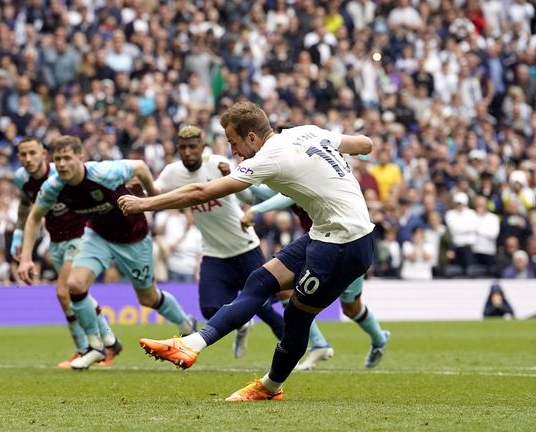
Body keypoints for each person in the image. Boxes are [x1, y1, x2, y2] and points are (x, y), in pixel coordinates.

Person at [119, 101, 375, 401]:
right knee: (260, 281)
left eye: (234, 142)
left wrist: (144, 205)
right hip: (326, 234)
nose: (234, 151)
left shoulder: (269, 156)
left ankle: (269, 388)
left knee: (295, 316)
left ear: (252, 137)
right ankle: (192, 343)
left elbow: (201, 192)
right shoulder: (305, 132)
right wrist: (352, 155)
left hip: (344, 244)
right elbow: (365, 143)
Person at [17, 135, 196, 369]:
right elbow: (34, 218)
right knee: (75, 286)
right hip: (98, 235)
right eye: (57, 159)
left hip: (133, 237)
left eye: (67, 158)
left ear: (80, 158)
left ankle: (186, 324)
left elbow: (140, 167)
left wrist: (152, 195)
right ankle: (96, 347)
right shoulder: (53, 186)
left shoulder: (104, 173)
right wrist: (25, 258)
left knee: (148, 298)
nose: (61, 164)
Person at [154, 125, 284, 359]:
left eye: (193, 147)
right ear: (177, 149)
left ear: (202, 148)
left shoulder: (216, 164)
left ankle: (292, 350)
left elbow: (247, 195)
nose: (187, 152)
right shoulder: (172, 172)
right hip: (214, 252)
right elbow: (155, 190)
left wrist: (228, 176)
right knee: (209, 309)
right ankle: (243, 325)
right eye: (183, 148)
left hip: (245, 246)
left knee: (263, 306)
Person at [241, 189, 390, 371]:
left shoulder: (304, 177)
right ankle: (320, 344)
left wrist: (254, 208)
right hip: (318, 246)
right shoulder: (287, 176)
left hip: (348, 242)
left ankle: (379, 339)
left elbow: (285, 195)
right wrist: (238, 181)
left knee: (351, 307)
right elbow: (265, 192)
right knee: (285, 290)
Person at [11, 137, 121, 368]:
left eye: (33, 153)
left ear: (44, 153)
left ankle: (87, 348)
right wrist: (19, 237)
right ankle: (109, 342)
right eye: (23, 154)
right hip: (56, 240)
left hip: (81, 235)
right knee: (73, 293)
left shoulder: (62, 173)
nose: (28, 159)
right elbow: (26, 206)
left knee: (64, 292)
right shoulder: (22, 178)